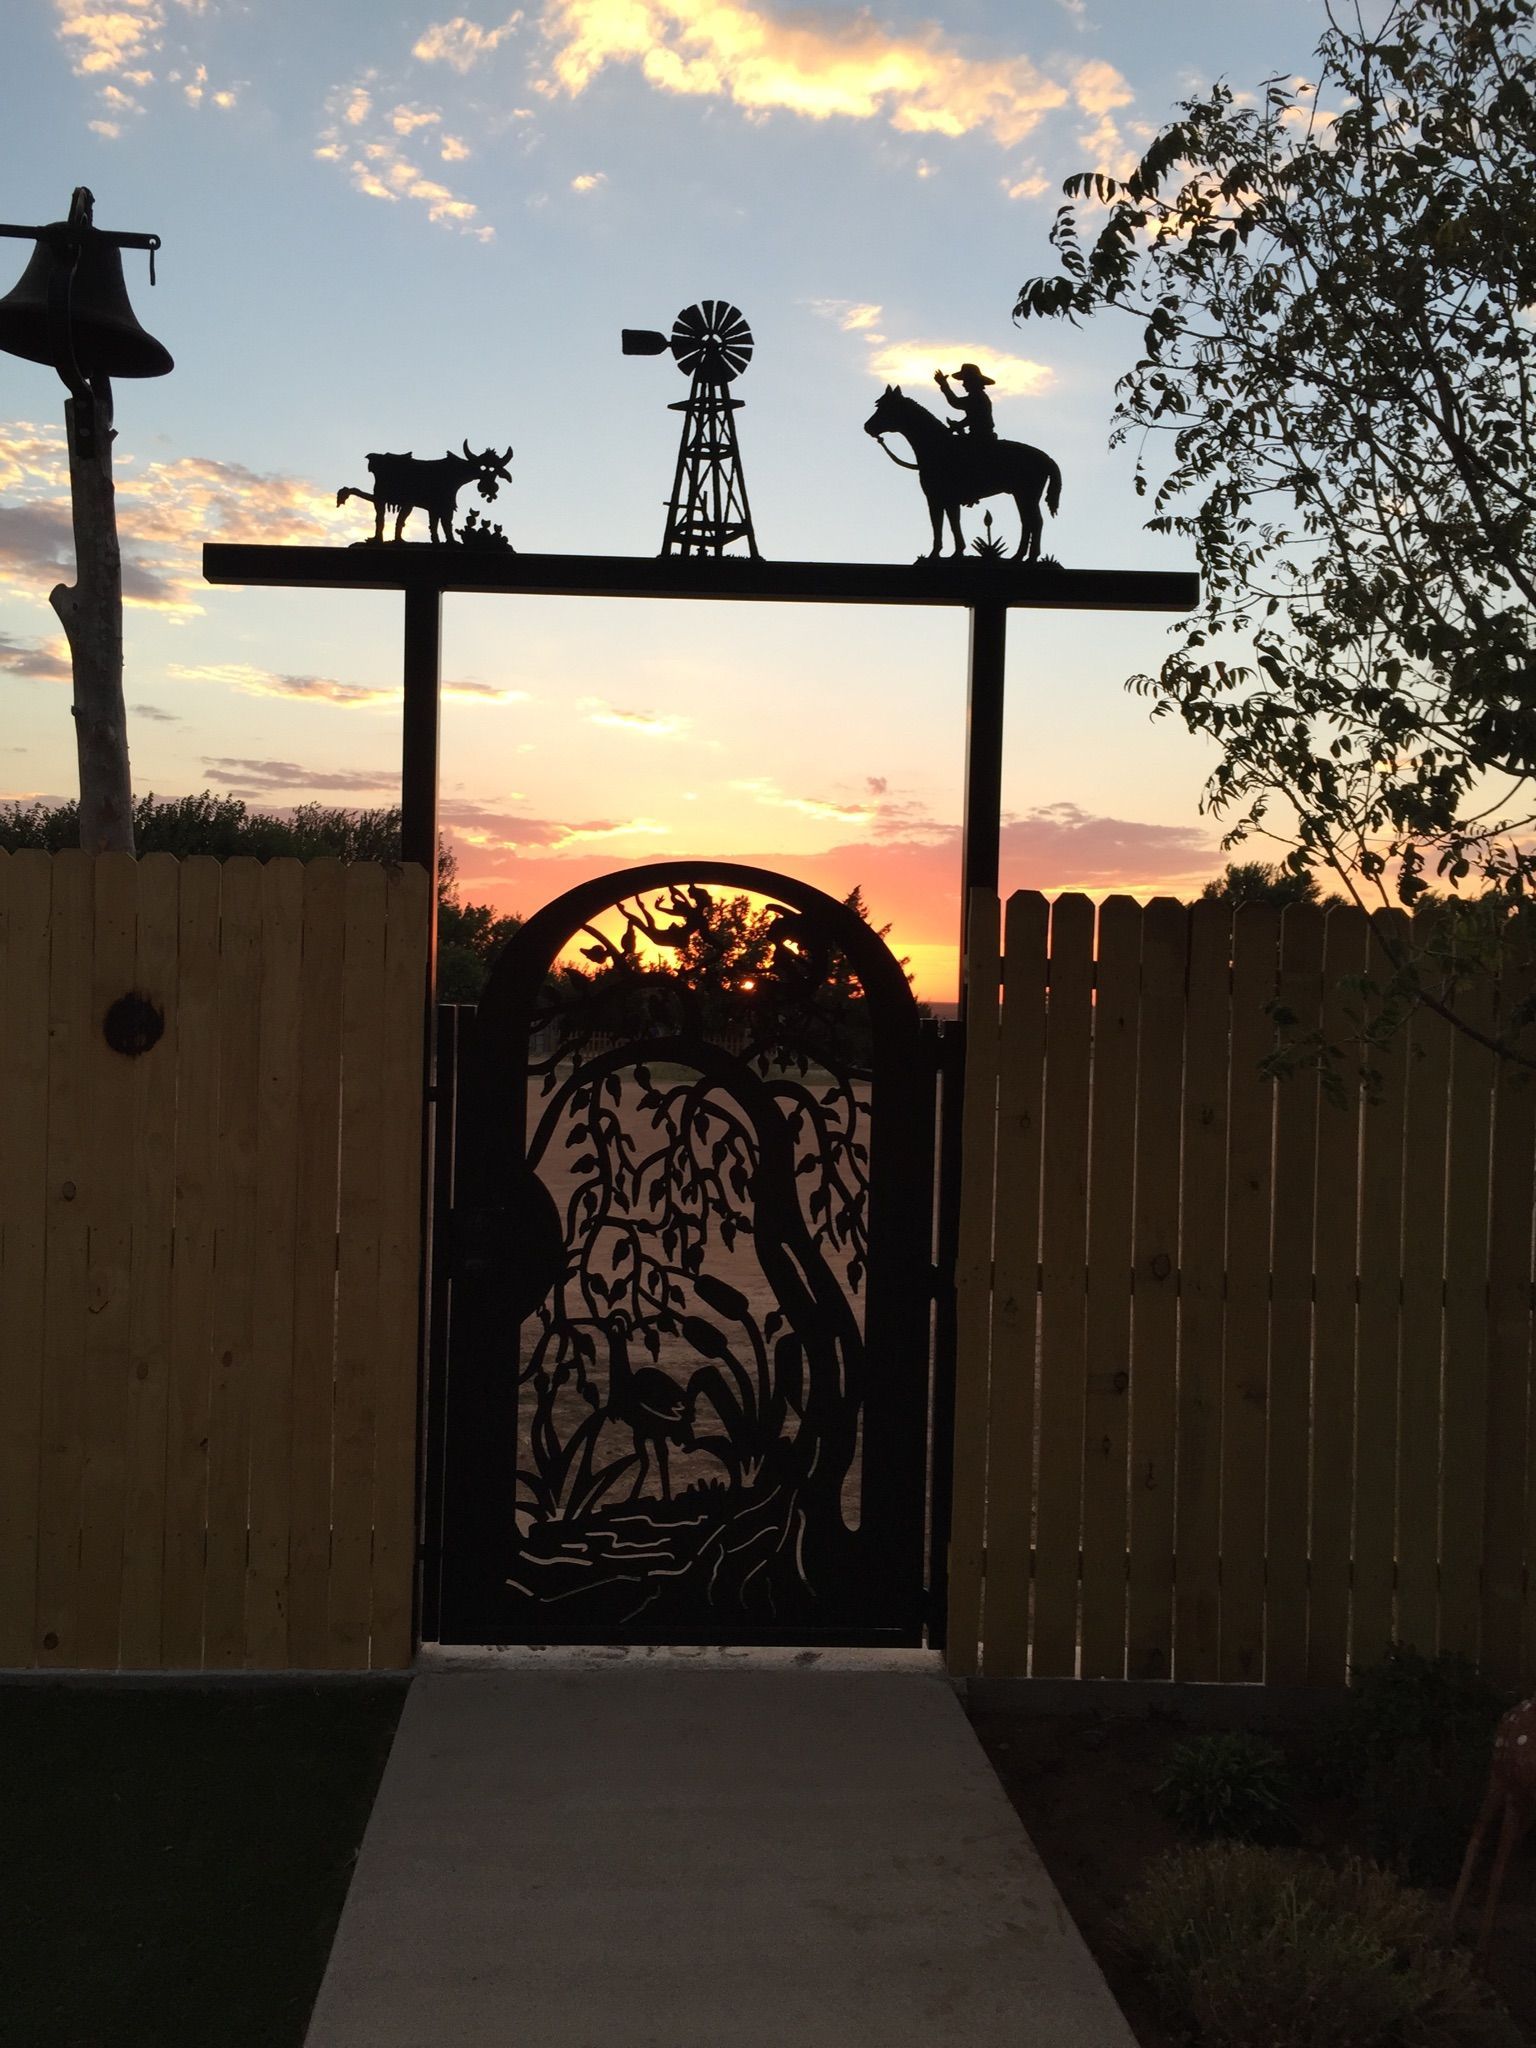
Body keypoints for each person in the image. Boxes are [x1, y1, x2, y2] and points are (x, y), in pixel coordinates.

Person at [934, 362, 997, 440]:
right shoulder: (977, 396)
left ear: (973, 381)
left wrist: (957, 425)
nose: (963, 384)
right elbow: (956, 403)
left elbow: (957, 404)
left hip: (980, 437)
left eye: (966, 381)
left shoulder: (978, 398)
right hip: (978, 435)